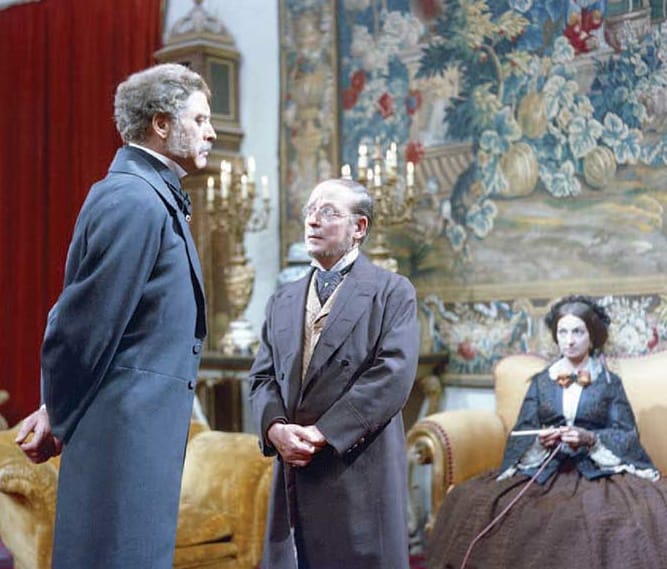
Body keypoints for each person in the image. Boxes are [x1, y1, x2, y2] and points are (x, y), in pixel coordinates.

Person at [14, 63, 215, 569]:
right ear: (161, 124)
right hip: (122, 439)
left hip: (136, 436)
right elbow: (81, 325)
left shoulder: (148, 195)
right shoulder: (134, 199)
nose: (211, 132)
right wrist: (57, 411)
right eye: (200, 119)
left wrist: (56, 407)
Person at [249, 178, 420, 569]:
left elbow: (392, 376)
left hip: (357, 468)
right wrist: (275, 429)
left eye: (328, 212)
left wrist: (323, 433)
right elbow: (261, 378)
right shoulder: (282, 299)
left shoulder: (392, 292)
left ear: (359, 228)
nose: (313, 221)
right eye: (310, 211)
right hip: (294, 469)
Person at [427, 295, 667, 569]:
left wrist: (591, 439)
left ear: (592, 337)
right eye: (563, 332)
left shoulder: (609, 382)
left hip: (598, 472)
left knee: (617, 517)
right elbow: (523, 430)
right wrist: (541, 440)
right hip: (547, 469)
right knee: (481, 503)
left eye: (578, 332)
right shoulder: (542, 382)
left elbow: (626, 433)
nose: (569, 340)